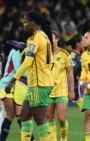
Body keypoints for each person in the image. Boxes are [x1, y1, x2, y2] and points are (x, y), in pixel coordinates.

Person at [5, 10, 54, 141]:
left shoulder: (36, 38)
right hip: (37, 83)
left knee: (40, 120)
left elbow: (28, 61)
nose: (24, 25)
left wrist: (13, 80)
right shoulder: (43, 37)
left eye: (26, 22)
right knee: (24, 116)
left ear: (33, 23)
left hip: (39, 83)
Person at [0, 41, 35, 141]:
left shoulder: (23, 51)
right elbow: (17, 70)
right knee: (10, 114)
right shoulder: (15, 51)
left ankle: (31, 139)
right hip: (6, 84)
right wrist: (32, 76)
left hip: (14, 85)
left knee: (19, 114)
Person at [48, 31, 75, 141]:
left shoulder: (65, 54)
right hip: (47, 91)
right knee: (49, 118)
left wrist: (71, 90)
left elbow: (70, 73)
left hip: (61, 90)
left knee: (61, 118)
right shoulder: (44, 54)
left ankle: (64, 138)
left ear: (57, 40)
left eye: (52, 38)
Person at [67, 34, 85, 109]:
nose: (85, 44)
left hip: (78, 88)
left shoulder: (79, 57)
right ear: (78, 44)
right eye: (83, 41)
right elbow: (71, 73)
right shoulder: (74, 58)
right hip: (76, 89)